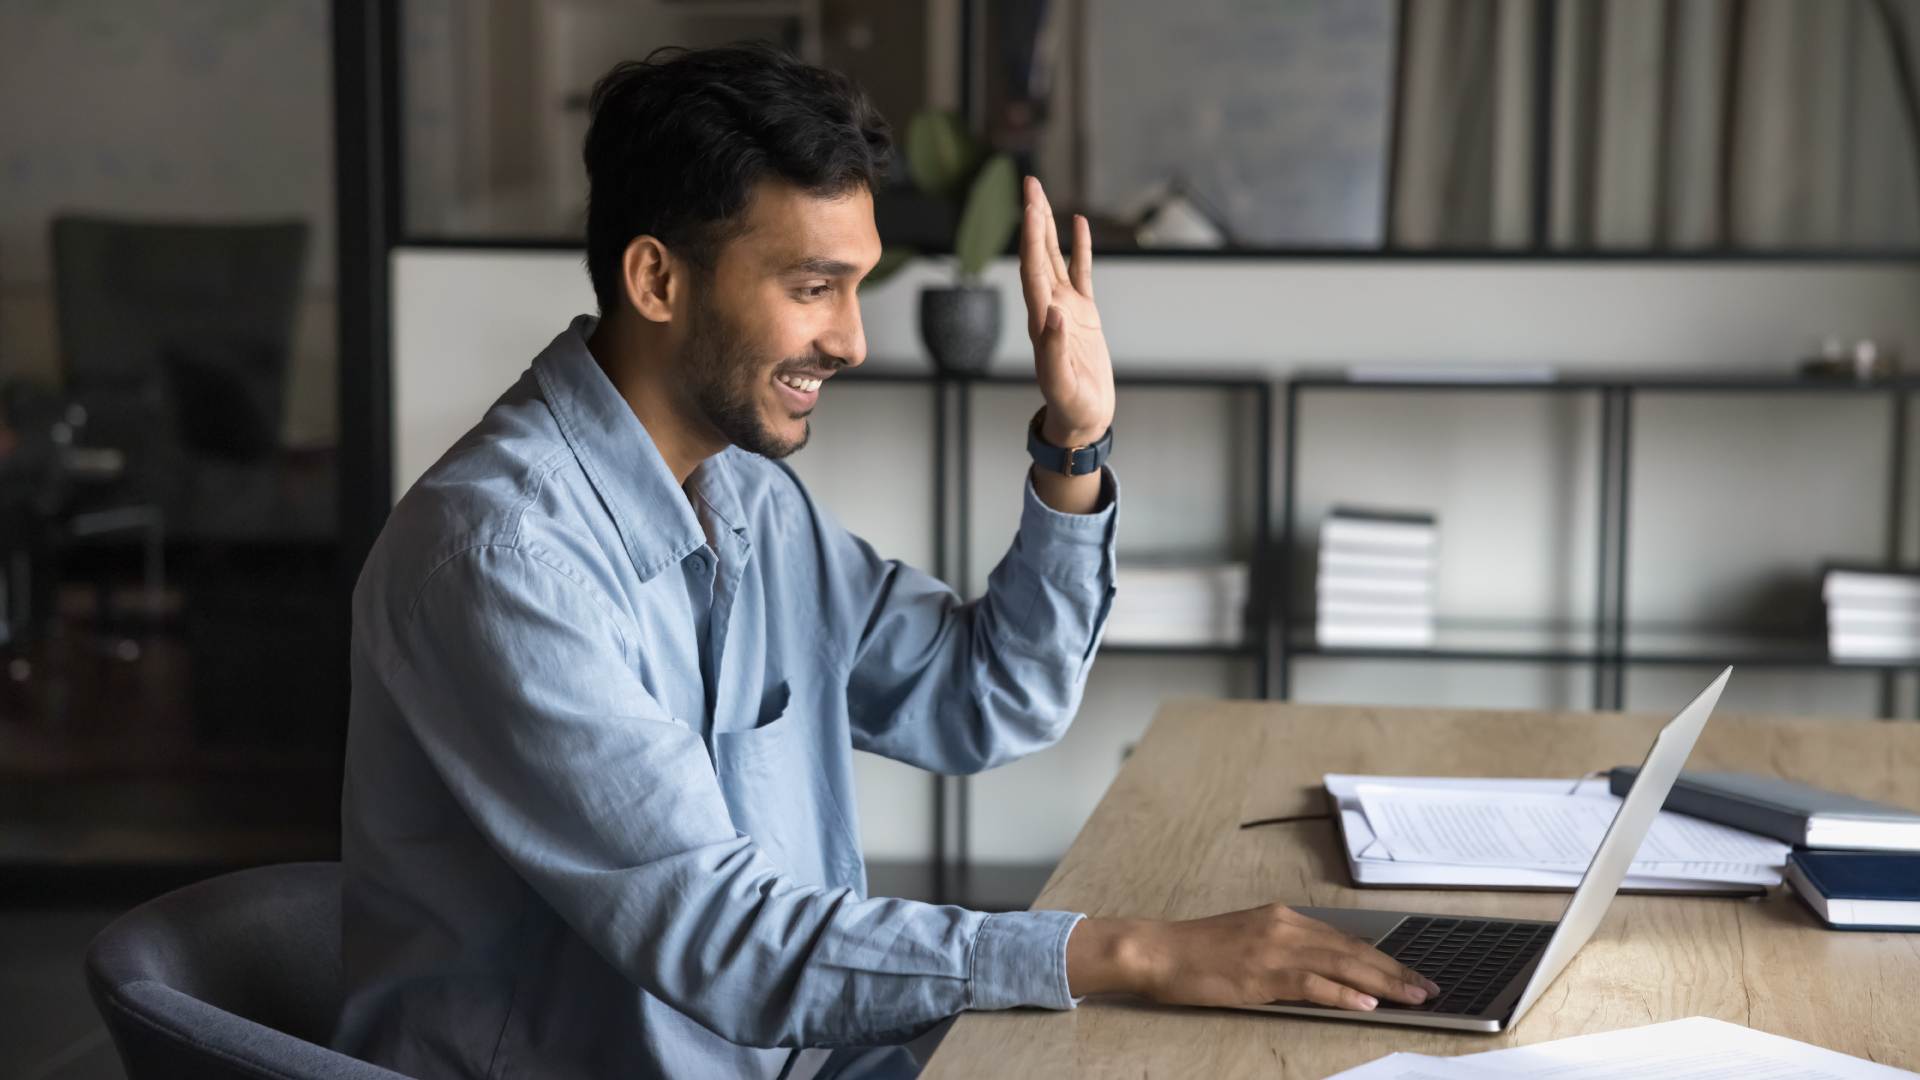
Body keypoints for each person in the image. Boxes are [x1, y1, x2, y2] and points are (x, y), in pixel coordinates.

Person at [334, 43, 1437, 1080]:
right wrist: (1136, 952)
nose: (853, 341)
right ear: (658, 281)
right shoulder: (501, 558)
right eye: (813, 287)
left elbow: (987, 697)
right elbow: (728, 944)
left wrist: (1073, 445)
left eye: (854, 287)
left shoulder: (751, 498)